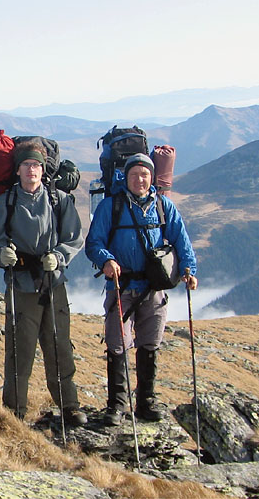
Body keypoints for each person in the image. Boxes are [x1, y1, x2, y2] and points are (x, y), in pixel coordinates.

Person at [85, 153, 198, 426]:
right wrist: (106, 259)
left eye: (145, 174)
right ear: (126, 177)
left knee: (150, 343)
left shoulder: (164, 206)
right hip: (121, 287)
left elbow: (181, 240)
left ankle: (146, 402)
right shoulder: (111, 206)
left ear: (151, 176)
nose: (140, 179)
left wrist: (189, 270)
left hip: (154, 288)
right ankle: (117, 405)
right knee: (117, 345)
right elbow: (94, 242)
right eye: (135, 174)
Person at [0, 142, 87, 425]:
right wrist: (1, 254)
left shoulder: (59, 200)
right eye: (27, 165)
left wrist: (59, 255)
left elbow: (74, 238)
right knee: (20, 349)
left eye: (37, 165)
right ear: (17, 169)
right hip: (20, 284)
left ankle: (69, 405)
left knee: (59, 346)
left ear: (44, 170)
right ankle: (15, 409)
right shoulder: (4, 202)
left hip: (53, 282)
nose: (33, 170)